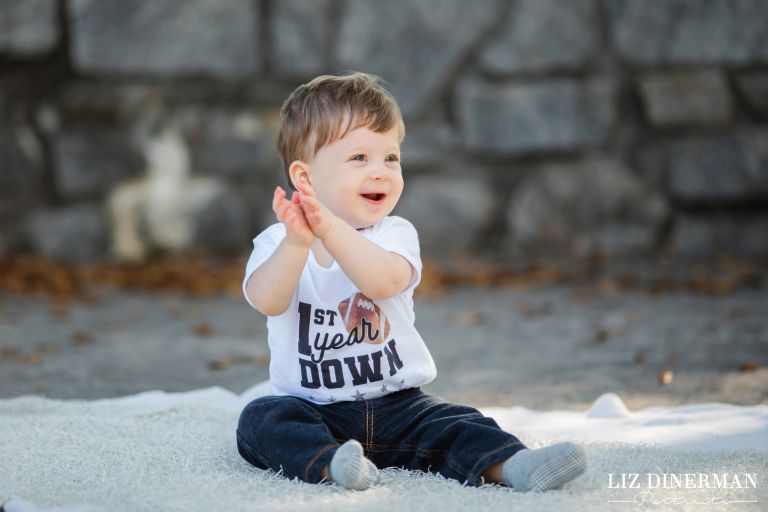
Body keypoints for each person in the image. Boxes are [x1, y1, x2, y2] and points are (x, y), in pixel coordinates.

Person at [236, 71, 586, 491]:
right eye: (359, 158)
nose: (381, 172)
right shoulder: (278, 240)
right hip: (315, 410)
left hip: (401, 407)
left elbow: (383, 283)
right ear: (305, 178)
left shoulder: (394, 233)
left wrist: (330, 229)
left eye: (391, 158)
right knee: (261, 419)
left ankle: (514, 465)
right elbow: (267, 300)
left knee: (458, 423)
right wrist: (297, 244)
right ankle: (332, 465)